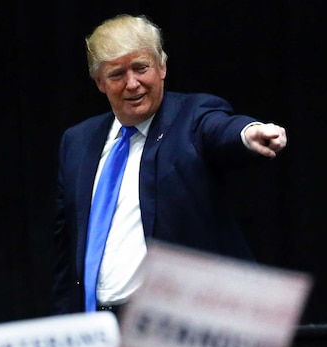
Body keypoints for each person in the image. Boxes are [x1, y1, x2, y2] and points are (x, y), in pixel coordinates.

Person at [53, 14, 287, 315]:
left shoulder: (192, 116)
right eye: (116, 74)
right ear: (99, 82)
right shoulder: (77, 141)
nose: (132, 83)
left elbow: (218, 129)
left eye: (141, 68)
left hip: (177, 323)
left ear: (161, 66)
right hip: (99, 328)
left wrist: (247, 133)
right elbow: (66, 250)